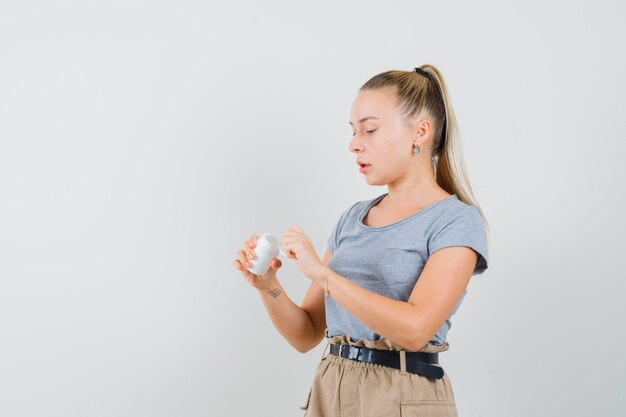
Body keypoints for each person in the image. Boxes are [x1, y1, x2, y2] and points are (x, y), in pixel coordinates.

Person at [232, 64, 489, 417]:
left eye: (369, 129)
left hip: (402, 393)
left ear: (420, 132)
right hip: (331, 386)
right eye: (354, 131)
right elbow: (306, 334)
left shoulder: (456, 221)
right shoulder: (352, 219)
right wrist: (268, 285)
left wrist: (323, 275)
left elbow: (416, 329)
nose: (354, 145)